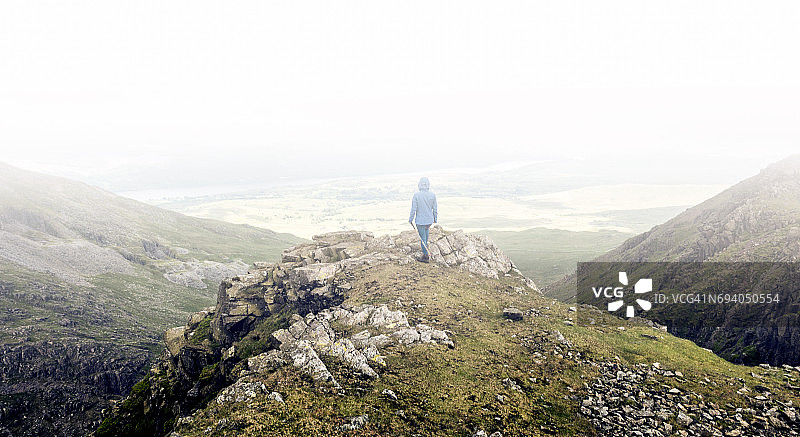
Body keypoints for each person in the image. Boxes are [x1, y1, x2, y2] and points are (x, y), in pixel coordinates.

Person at [409, 176, 438, 263]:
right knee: (425, 237)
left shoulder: (416, 195)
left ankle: (425, 256)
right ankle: (426, 252)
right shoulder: (432, 195)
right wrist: (435, 219)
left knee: (423, 239)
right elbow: (435, 209)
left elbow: (413, 209)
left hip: (420, 221)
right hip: (429, 221)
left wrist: (410, 219)